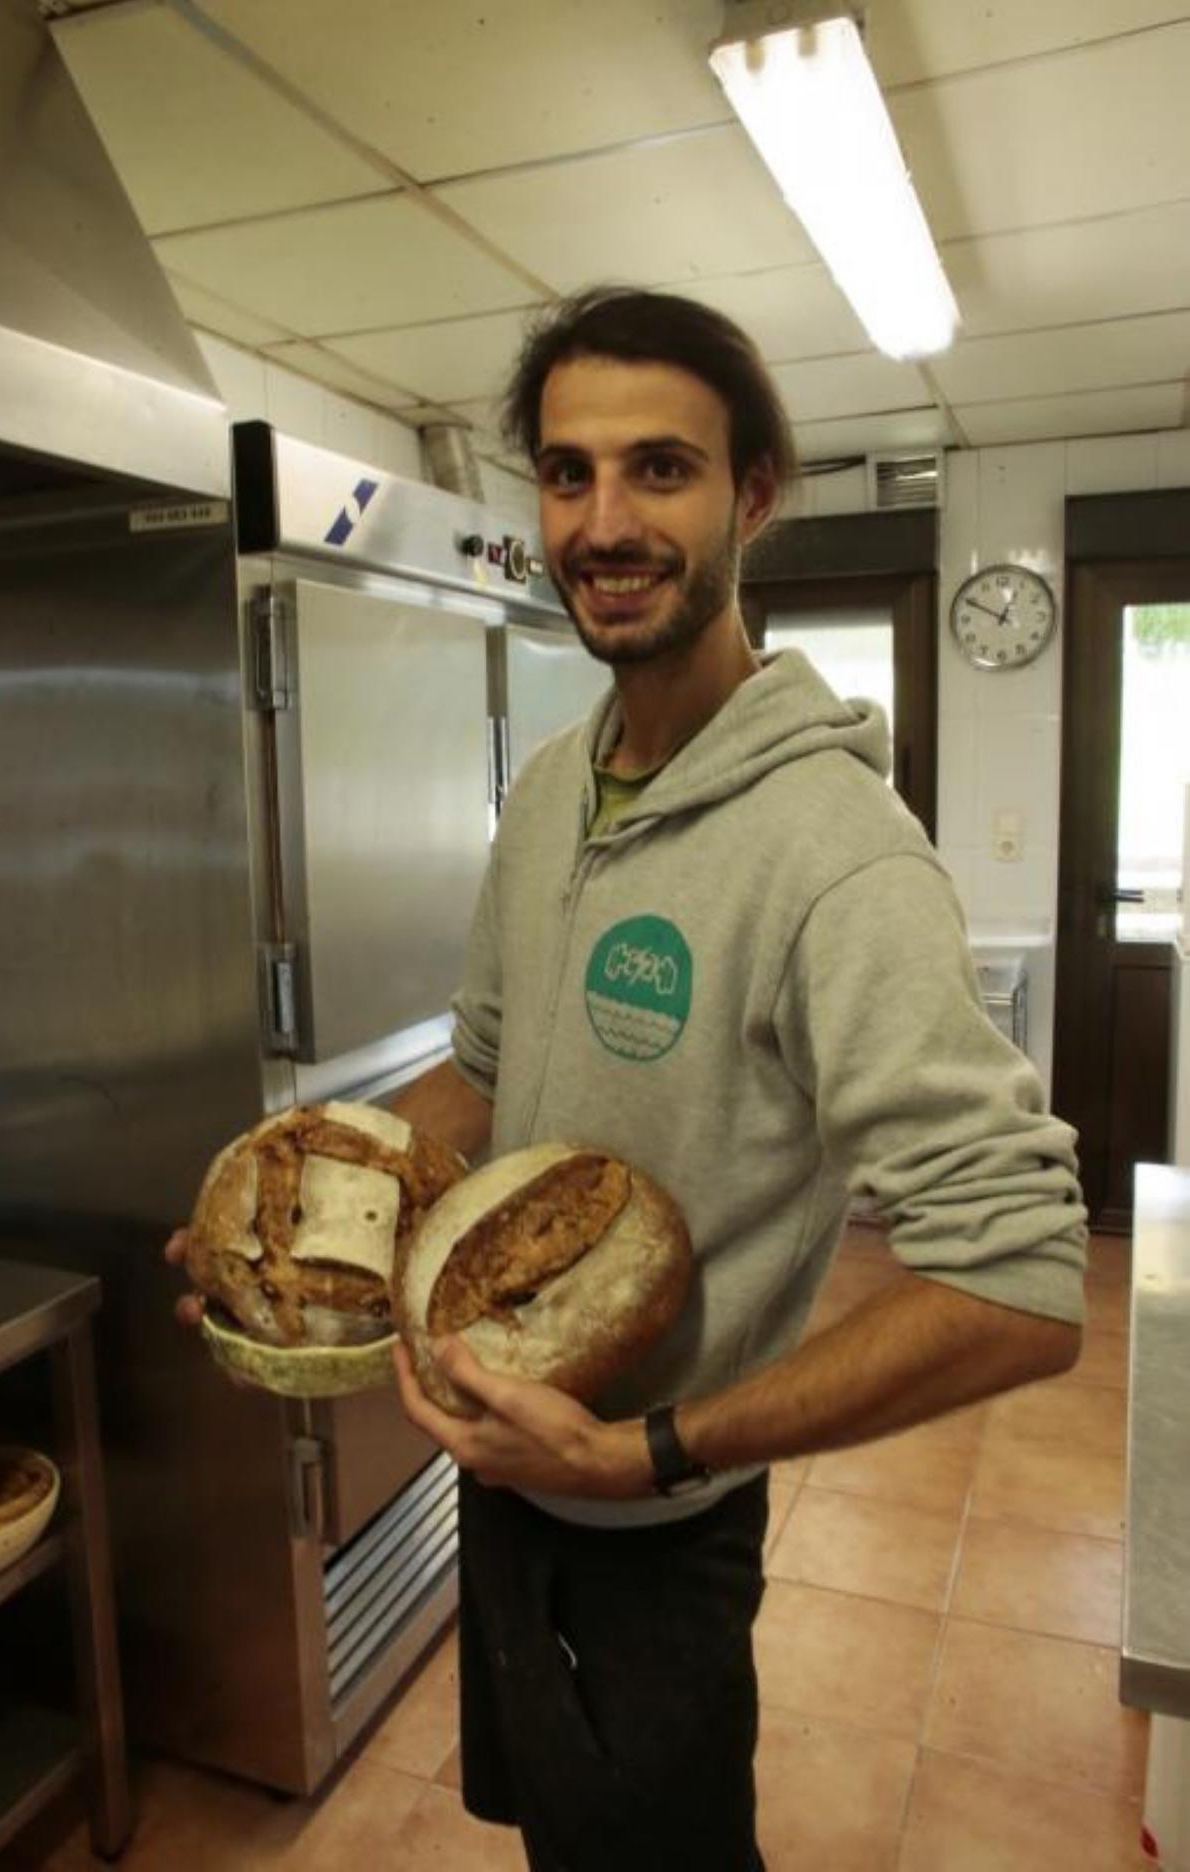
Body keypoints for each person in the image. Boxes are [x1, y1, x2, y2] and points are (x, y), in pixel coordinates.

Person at [170, 287, 1088, 1872]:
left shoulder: (838, 857)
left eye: (660, 470)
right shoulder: (548, 794)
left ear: (752, 499)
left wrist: (653, 1451)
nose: (605, 520)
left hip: (654, 1528)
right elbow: (485, 1083)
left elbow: (1020, 1283)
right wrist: (300, 1259)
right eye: (570, 472)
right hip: (508, 1477)